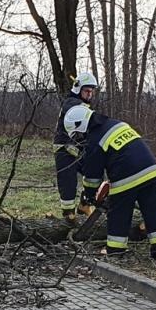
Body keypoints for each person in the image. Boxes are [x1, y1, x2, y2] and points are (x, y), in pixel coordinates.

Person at [62, 99, 156, 261]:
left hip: (127, 176)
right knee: (153, 210)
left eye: (78, 134)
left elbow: (93, 175)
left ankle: (115, 250)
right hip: (151, 170)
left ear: (81, 125)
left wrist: (89, 195)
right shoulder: (116, 124)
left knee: (119, 213)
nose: (80, 138)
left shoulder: (94, 139)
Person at [56, 72, 98, 221]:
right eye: (86, 91)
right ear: (78, 89)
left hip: (78, 147)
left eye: (91, 91)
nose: (89, 94)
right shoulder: (72, 103)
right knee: (68, 181)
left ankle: (85, 203)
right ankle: (69, 215)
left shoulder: (83, 105)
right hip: (64, 148)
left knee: (93, 171)